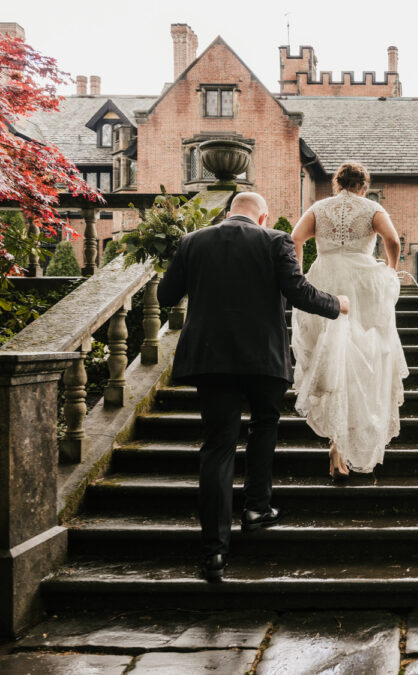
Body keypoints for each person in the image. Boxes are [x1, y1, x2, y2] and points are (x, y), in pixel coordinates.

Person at [157, 191, 349, 582]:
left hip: (210, 359)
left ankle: (213, 552)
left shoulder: (193, 241)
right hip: (262, 358)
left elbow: (164, 296)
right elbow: (298, 291)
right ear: (263, 218)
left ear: (228, 214)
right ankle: (257, 508)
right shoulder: (275, 240)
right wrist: (337, 304)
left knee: (218, 445)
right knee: (264, 425)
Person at [290, 162, 407, 480]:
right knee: (361, 363)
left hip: (325, 278)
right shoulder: (371, 208)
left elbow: (295, 239)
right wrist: (390, 271)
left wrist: (299, 275)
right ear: (364, 186)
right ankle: (345, 442)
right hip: (362, 286)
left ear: (336, 184)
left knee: (330, 362)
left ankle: (336, 445)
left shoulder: (319, 207)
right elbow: (393, 242)